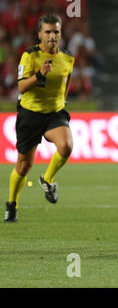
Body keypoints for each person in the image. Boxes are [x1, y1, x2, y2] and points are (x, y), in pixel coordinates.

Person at [4, 14, 74, 223]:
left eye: (56, 32)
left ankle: (48, 179)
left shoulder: (68, 58)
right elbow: (21, 87)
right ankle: (12, 204)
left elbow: (67, 79)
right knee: (24, 166)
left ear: (60, 34)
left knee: (66, 146)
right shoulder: (30, 56)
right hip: (30, 114)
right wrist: (40, 75)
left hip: (54, 114)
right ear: (40, 35)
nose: (52, 36)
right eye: (48, 32)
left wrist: (63, 101)